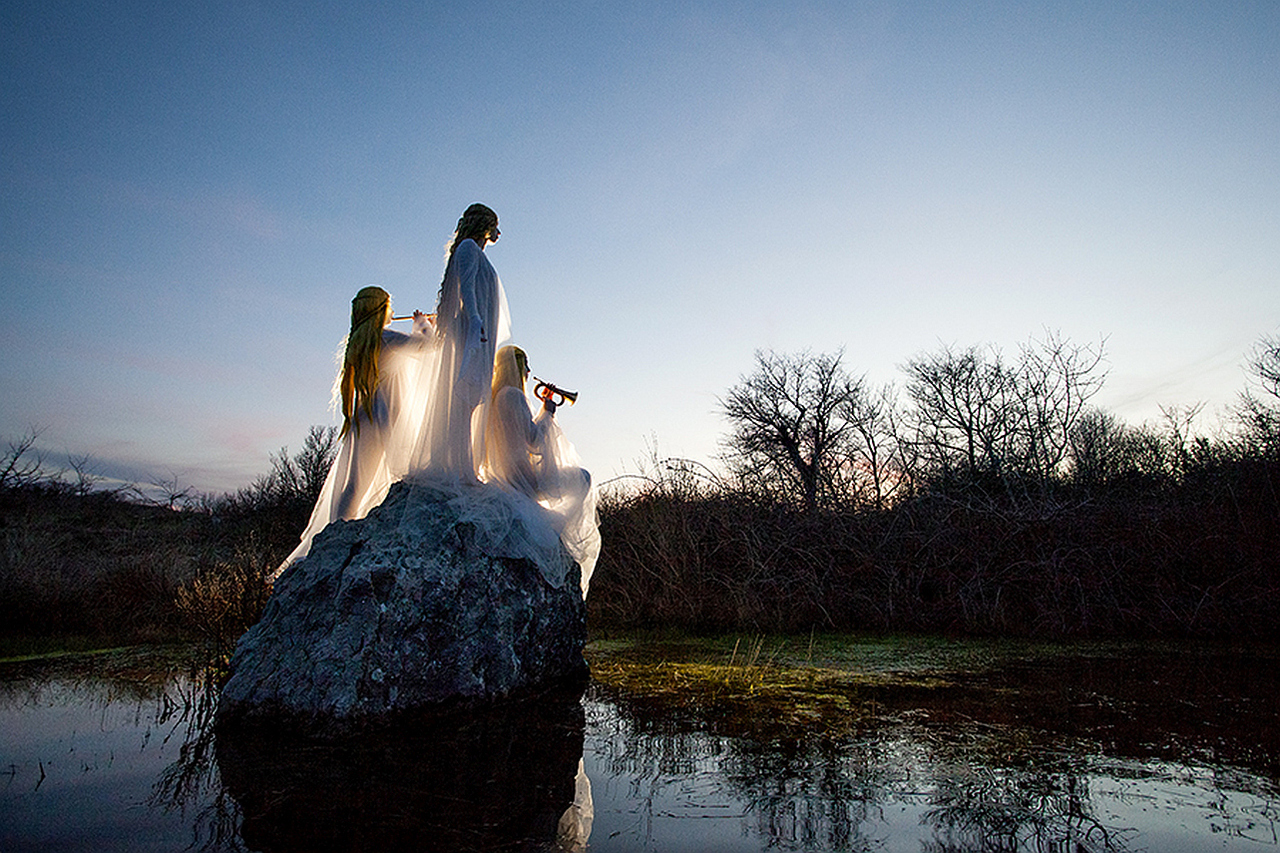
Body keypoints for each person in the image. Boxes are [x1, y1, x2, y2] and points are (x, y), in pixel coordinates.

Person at [272, 286, 431, 580]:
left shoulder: (361, 341)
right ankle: (351, 539)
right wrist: (423, 324)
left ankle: (336, 536)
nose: (392, 311)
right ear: (379, 309)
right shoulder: (385, 338)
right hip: (386, 413)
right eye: (388, 305)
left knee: (356, 483)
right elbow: (428, 348)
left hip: (366, 415)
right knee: (403, 473)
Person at [483, 345, 600, 596]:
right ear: (516, 366)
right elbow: (534, 441)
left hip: (505, 476)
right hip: (524, 478)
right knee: (583, 479)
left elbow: (521, 435)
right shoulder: (514, 395)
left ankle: (553, 527)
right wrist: (548, 412)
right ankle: (557, 528)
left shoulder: (496, 398)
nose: (528, 371)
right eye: (525, 365)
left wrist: (541, 411)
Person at [409, 203, 510, 482]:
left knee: (471, 400)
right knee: (464, 399)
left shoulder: (476, 252)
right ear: (483, 225)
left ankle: (465, 466)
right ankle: (461, 468)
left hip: (480, 333)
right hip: (471, 331)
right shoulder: (468, 248)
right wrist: (475, 318)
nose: (498, 232)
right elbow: (466, 287)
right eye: (495, 225)